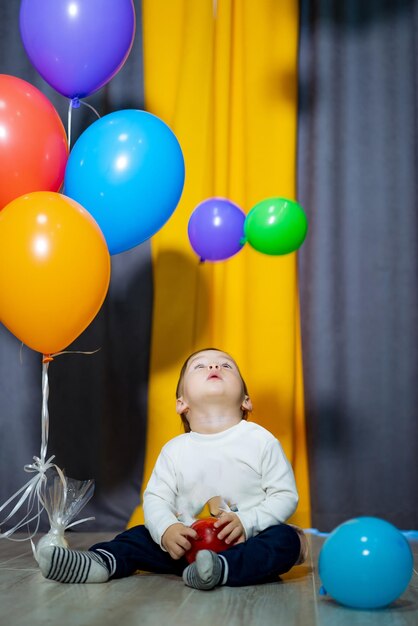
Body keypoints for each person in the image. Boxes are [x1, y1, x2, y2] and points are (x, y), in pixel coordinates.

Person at [38, 348, 307, 589]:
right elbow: (157, 499)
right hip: (184, 547)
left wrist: (247, 522)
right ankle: (99, 563)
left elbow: (285, 496)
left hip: (245, 543)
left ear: (246, 400)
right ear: (182, 403)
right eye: (200, 366)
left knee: (286, 539)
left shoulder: (261, 440)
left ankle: (220, 570)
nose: (214, 368)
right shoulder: (175, 450)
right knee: (138, 536)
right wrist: (167, 530)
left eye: (226, 366)